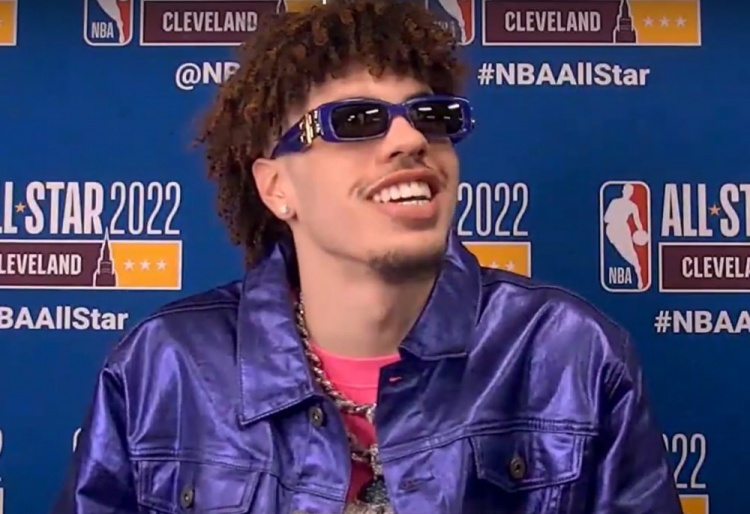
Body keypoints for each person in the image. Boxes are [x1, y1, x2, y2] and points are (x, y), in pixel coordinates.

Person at [52, 1, 682, 512]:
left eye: (431, 117)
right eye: (355, 121)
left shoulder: (571, 352)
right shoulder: (163, 367)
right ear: (276, 187)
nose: (410, 138)